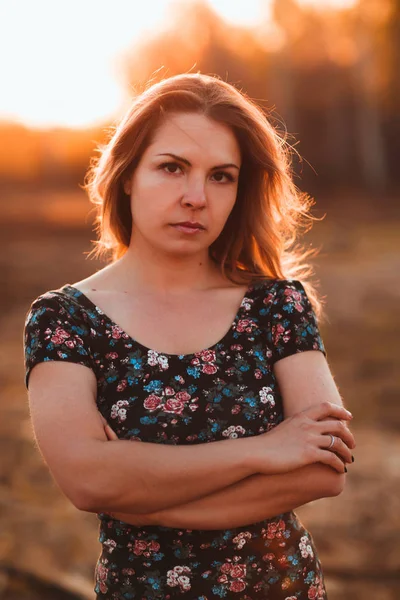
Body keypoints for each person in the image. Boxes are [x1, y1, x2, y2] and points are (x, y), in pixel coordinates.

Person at [23, 72, 355, 600]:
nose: (196, 196)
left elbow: (323, 471)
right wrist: (264, 450)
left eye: (221, 176)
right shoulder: (67, 320)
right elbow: (87, 481)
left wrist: (142, 497)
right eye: (172, 168)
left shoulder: (275, 305)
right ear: (128, 174)